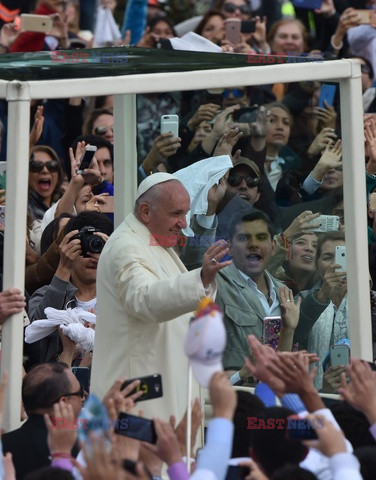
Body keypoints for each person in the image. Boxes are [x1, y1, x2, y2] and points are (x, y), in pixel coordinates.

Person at [90, 173, 230, 423]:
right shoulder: (127, 247)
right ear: (145, 211)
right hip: (140, 399)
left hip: (163, 387)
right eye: (176, 214)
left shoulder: (152, 241)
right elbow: (143, 299)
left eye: (186, 213)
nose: (183, 223)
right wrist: (201, 279)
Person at [215, 210, 300, 373]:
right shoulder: (214, 285)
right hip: (231, 394)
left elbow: (282, 367)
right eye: (244, 238)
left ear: (273, 246)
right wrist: (240, 375)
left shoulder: (285, 293)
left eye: (261, 237)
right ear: (229, 248)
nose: (253, 244)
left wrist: (288, 332)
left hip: (274, 395)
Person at [2, 362, 82, 479]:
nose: (83, 398)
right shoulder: (83, 450)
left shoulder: (3, 446)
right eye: (79, 393)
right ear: (63, 402)